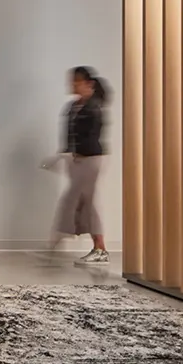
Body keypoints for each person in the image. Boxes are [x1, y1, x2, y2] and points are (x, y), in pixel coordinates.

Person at [48, 67, 111, 266]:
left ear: (88, 84)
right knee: (85, 202)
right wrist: (64, 155)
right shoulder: (72, 106)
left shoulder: (94, 107)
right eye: (72, 81)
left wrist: (77, 155)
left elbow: (92, 136)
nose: (73, 85)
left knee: (77, 200)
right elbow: (69, 136)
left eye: (76, 81)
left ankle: (65, 239)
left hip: (91, 159)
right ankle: (96, 246)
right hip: (77, 161)